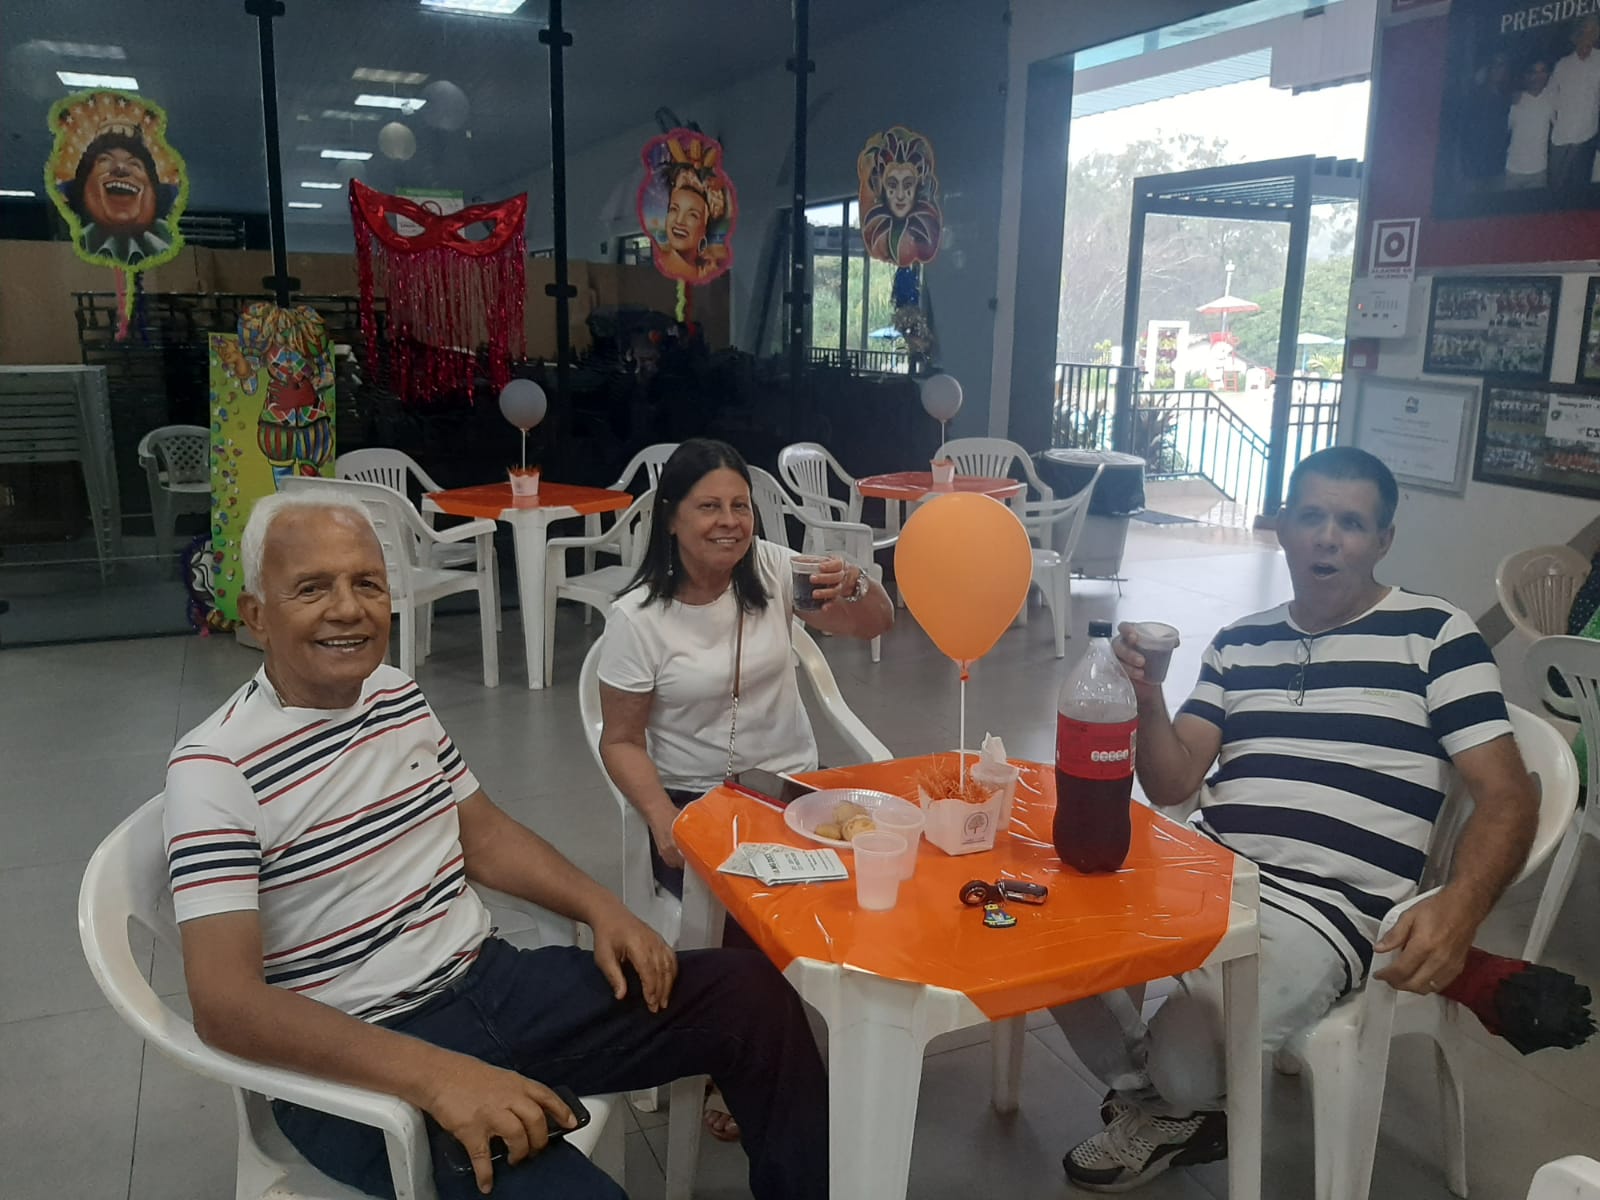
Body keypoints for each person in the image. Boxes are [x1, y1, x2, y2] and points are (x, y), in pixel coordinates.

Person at [163, 491, 828, 1200]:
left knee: (752, 998)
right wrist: (436, 1076)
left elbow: (481, 832)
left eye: (367, 583)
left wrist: (605, 909)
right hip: (356, 1058)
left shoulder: (394, 695)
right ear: (257, 614)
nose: (348, 609)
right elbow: (226, 1004)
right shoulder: (215, 768)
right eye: (312, 588)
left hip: (489, 982)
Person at [1051, 447, 1538, 1192]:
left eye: (1352, 523)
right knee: (1048, 945)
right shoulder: (1240, 642)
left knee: (1189, 1060)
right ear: (1282, 526)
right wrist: (1149, 698)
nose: (1327, 538)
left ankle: (1175, 1095)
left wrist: (1460, 908)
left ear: (1383, 540)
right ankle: (1165, 1102)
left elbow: (1509, 796)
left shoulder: (1437, 635)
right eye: (1311, 516)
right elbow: (1174, 780)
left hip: (1326, 906)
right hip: (1200, 868)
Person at [1549, 15, 1600, 196]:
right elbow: (1551, 95)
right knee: (1556, 188)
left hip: (1587, 136)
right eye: (1586, 30)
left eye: (1594, 31)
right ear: (1576, 35)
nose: (1589, 35)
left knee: (1580, 191)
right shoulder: (1563, 65)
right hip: (1561, 137)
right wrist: (1556, 122)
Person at [1505, 59, 1556, 188]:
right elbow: (1504, 130)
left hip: (1539, 171)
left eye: (1543, 72)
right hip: (1513, 169)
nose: (1539, 77)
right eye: (1534, 72)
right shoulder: (1515, 101)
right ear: (1527, 75)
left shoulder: (1552, 98)